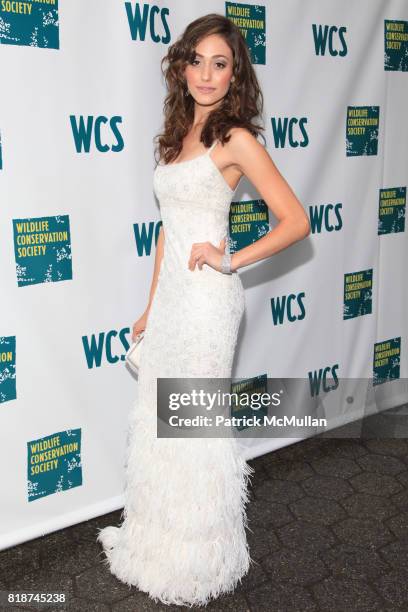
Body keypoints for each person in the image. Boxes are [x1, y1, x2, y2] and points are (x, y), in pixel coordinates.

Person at [97, 13, 310, 608]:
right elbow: (168, 232)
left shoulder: (236, 138)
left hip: (207, 306)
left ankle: (196, 561)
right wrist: (148, 307)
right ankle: (155, 543)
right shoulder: (176, 135)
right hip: (171, 302)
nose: (208, 75)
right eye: (198, 61)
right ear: (182, 65)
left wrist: (230, 258)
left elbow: (297, 221)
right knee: (160, 419)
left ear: (235, 71)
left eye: (222, 63)